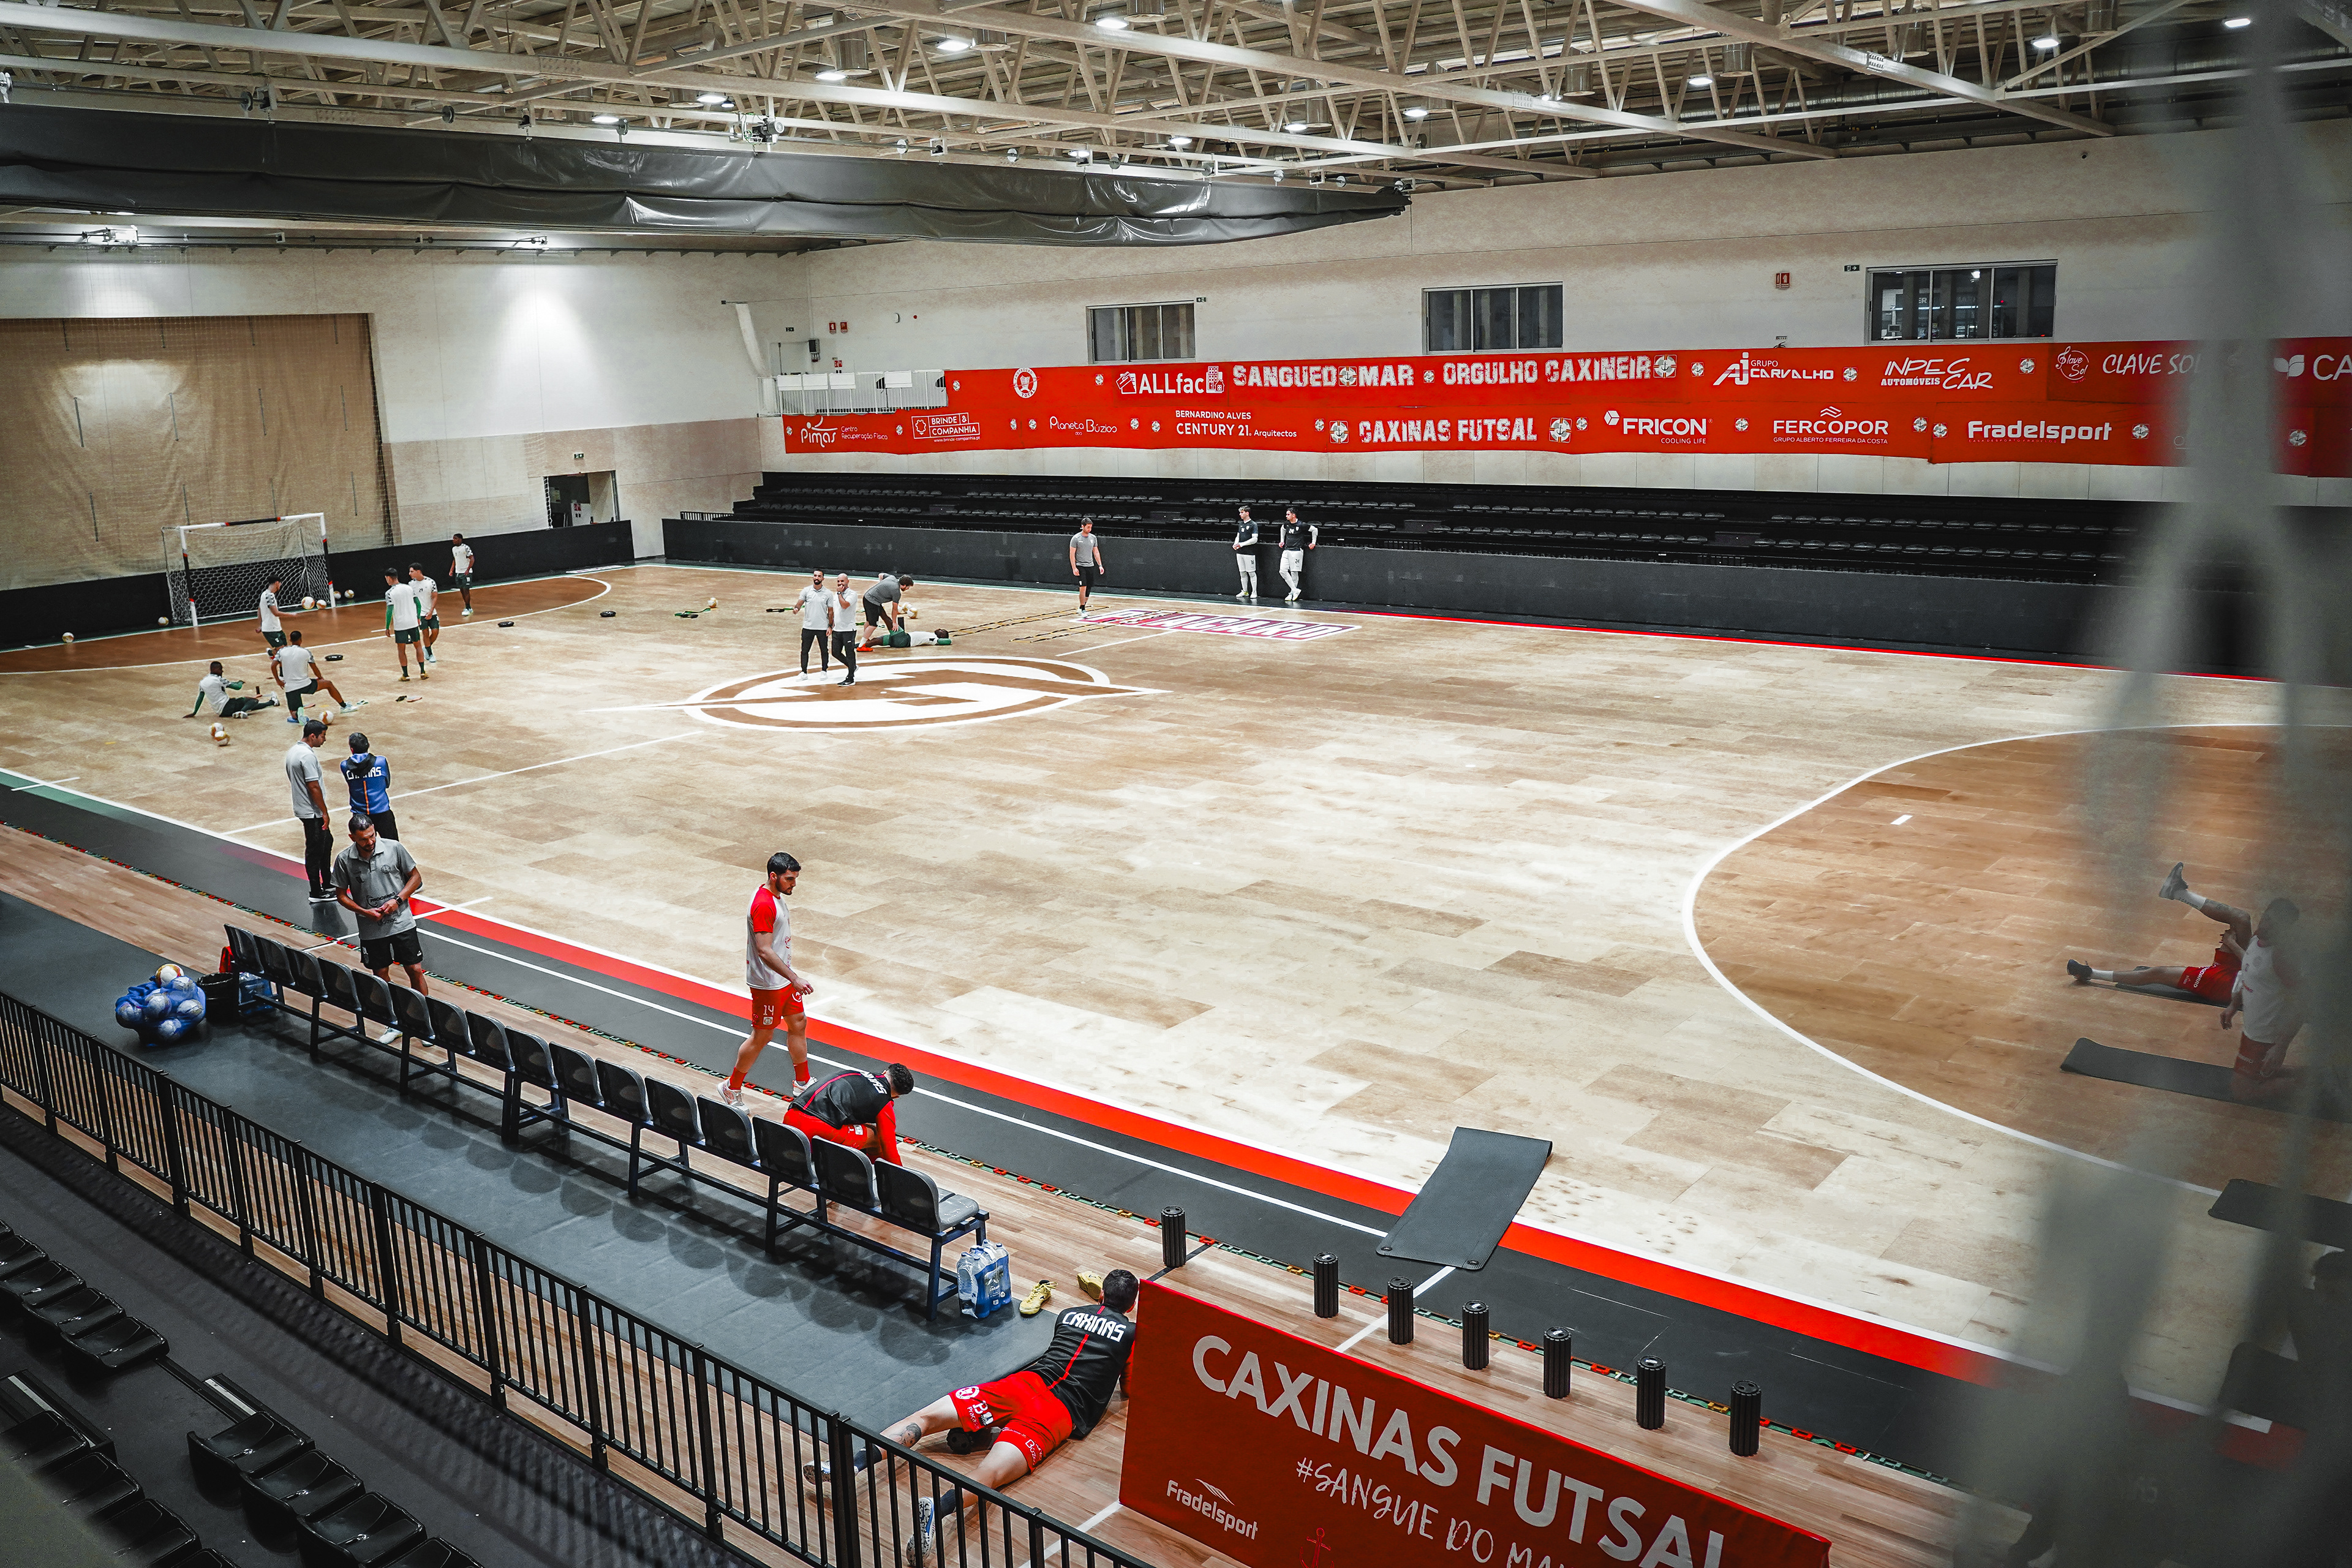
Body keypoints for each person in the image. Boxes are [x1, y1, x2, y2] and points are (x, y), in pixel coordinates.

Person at [803, 1269, 1140, 1565]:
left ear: (1100, 1293)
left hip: (1021, 1385)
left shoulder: (1067, 1314)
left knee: (925, 1419)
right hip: (1057, 1411)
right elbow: (1128, 1388)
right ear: (1131, 1305)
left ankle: (849, 1464)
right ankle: (937, 1508)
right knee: (990, 1474)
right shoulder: (1130, 1334)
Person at [723, 851, 816, 1107]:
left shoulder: (774, 896)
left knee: (798, 1023)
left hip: (782, 979)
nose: (793, 884)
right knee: (762, 1037)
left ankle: (802, 1082)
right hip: (768, 983)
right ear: (774, 876)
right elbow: (764, 950)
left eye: (795, 879)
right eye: (789, 879)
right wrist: (794, 978)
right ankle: (731, 1087)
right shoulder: (764, 905)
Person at [332, 813, 429, 1041]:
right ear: (352, 837)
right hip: (372, 928)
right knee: (381, 974)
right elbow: (341, 895)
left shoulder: (394, 848)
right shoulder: (344, 860)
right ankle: (395, 1023)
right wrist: (364, 912)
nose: (370, 842)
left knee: (415, 969)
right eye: (363, 839)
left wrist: (398, 900)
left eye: (372, 836)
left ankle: (423, 1023)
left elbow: (415, 878)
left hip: (401, 921)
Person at [784, 1064, 914, 1167]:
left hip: (791, 1118)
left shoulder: (855, 1073)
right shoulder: (885, 1102)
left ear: (885, 1072)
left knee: (859, 1124)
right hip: (814, 1132)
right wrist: (901, 1176)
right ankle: (873, 1174)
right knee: (877, 1136)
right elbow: (889, 1148)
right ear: (896, 1097)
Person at [286, 719, 334, 901]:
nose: (324, 740)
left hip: (305, 808)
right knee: (315, 850)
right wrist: (324, 812)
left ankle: (327, 882)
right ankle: (316, 891)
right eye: (323, 736)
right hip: (312, 812)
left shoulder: (294, 751)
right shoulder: (307, 757)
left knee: (326, 842)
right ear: (313, 736)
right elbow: (313, 786)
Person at [273, 630, 359, 725]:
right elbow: (314, 668)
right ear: (301, 640)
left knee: (293, 714)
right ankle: (344, 706)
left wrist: (278, 681)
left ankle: (297, 716)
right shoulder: (306, 652)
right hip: (306, 684)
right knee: (329, 684)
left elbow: (273, 666)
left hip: (290, 687)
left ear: (290, 640)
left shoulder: (282, 651)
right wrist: (320, 678)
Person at [341, 733, 398, 840]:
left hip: (359, 815)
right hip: (382, 811)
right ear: (368, 746)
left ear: (352, 749)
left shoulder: (345, 766)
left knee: (363, 846)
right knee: (393, 845)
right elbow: (387, 783)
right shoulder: (381, 762)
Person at [189, 660, 277, 721]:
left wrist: (195, 712)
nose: (222, 671)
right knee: (253, 701)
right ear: (215, 669)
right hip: (228, 705)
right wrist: (240, 682)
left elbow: (200, 698)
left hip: (220, 712)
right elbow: (237, 687)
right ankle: (242, 712)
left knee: (248, 706)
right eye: (220, 669)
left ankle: (272, 702)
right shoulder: (219, 679)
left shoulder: (203, 682)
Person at [384, 568, 427, 681]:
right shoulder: (409, 588)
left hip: (400, 625)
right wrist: (418, 617)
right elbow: (418, 604)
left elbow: (389, 611)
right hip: (413, 622)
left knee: (401, 650)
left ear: (389, 578)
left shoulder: (389, 593)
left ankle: (406, 675)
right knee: (418, 646)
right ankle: (423, 672)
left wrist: (387, 627)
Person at [795, 568, 834, 679]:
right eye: (815, 576)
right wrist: (796, 608)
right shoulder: (806, 591)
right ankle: (804, 672)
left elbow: (831, 611)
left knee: (824, 650)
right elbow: (799, 603)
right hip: (808, 626)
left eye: (819, 576)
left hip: (822, 627)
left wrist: (830, 626)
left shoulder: (828, 594)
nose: (817, 578)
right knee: (805, 650)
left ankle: (824, 670)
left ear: (823, 579)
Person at [862, 571, 914, 650]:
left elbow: (880, 575)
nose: (908, 589)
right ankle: (862, 645)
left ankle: (866, 639)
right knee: (873, 625)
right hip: (873, 602)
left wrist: (881, 588)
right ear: (904, 585)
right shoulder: (897, 592)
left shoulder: (892, 577)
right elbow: (895, 609)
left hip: (867, 597)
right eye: (908, 587)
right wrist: (894, 623)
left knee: (869, 621)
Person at [1278, 505, 1319, 603]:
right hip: (1287, 550)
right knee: (1282, 571)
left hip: (1297, 551)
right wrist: (1282, 540)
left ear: (1294, 515)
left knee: (1294, 573)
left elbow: (1315, 530)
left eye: (1288, 514)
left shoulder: (1301, 525)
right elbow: (1282, 529)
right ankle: (1295, 590)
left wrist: (1313, 542)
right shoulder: (1286, 524)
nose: (1286, 516)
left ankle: (1292, 592)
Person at [1068, 518, 1106, 615]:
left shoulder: (1093, 538)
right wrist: (1074, 567)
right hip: (1080, 565)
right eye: (1088, 527)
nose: (1089, 529)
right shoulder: (1076, 538)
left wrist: (1100, 565)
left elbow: (1096, 552)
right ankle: (1083, 609)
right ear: (1083, 526)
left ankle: (1081, 606)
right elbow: (1072, 554)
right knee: (1083, 586)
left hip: (1090, 565)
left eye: (1091, 527)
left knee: (1089, 587)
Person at [407, 564, 442, 666]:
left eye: (412, 571)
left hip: (431, 613)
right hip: (420, 614)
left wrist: (431, 611)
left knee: (435, 632)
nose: (409, 574)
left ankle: (426, 648)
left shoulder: (430, 582)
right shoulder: (411, 585)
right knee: (425, 633)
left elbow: (435, 597)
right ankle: (430, 654)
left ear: (418, 571)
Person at [831, 573, 860, 687]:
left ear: (847, 582)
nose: (840, 583)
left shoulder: (852, 594)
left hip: (848, 629)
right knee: (835, 652)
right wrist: (831, 624)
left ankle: (851, 677)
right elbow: (834, 610)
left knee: (849, 653)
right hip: (837, 629)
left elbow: (845, 605)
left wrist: (839, 593)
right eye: (838, 581)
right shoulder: (836, 595)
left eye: (842, 581)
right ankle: (853, 667)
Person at [1232, 506, 1260, 600]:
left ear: (1247, 513)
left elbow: (1255, 539)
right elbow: (1238, 536)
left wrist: (1242, 544)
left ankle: (1254, 592)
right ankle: (1245, 591)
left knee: (1251, 573)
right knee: (1242, 573)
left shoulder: (1253, 525)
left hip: (1249, 553)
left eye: (1242, 512)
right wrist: (1236, 544)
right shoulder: (1240, 524)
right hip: (1240, 552)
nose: (1240, 514)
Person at [258, 576, 290, 651]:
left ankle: (271, 653)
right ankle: (272, 654)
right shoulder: (269, 596)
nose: (280, 586)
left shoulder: (265, 594)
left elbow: (259, 610)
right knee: (282, 651)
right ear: (277, 583)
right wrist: (291, 615)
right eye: (280, 584)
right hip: (270, 629)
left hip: (277, 627)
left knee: (285, 649)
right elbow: (276, 613)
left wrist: (261, 625)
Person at [448, 533, 475, 617]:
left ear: (460, 539)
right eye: (453, 539)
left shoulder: (465, 548)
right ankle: (468, 607)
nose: (454, 540)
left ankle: (467, 608)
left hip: (466, 573)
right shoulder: (454, 549)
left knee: (466, 590)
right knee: (462, 590)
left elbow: (472, 559)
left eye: (455, 539)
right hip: (458, 572)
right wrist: (452, 570)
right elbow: (455, 560)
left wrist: (468, 569)